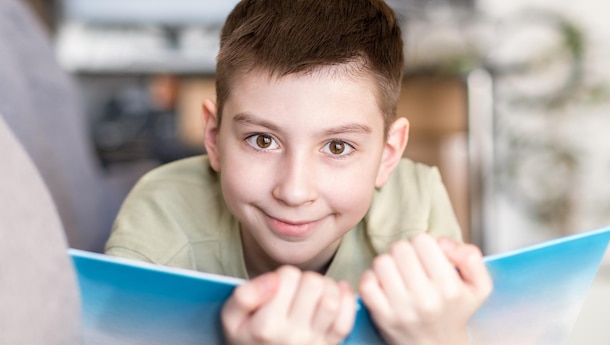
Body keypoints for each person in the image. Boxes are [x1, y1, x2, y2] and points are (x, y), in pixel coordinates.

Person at [105, 0, 493, 344]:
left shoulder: (416, 213)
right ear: (213, 136)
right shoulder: (164, 215)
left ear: (388, 154)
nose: (293, 191)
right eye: (261, 140)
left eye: (337, 147)